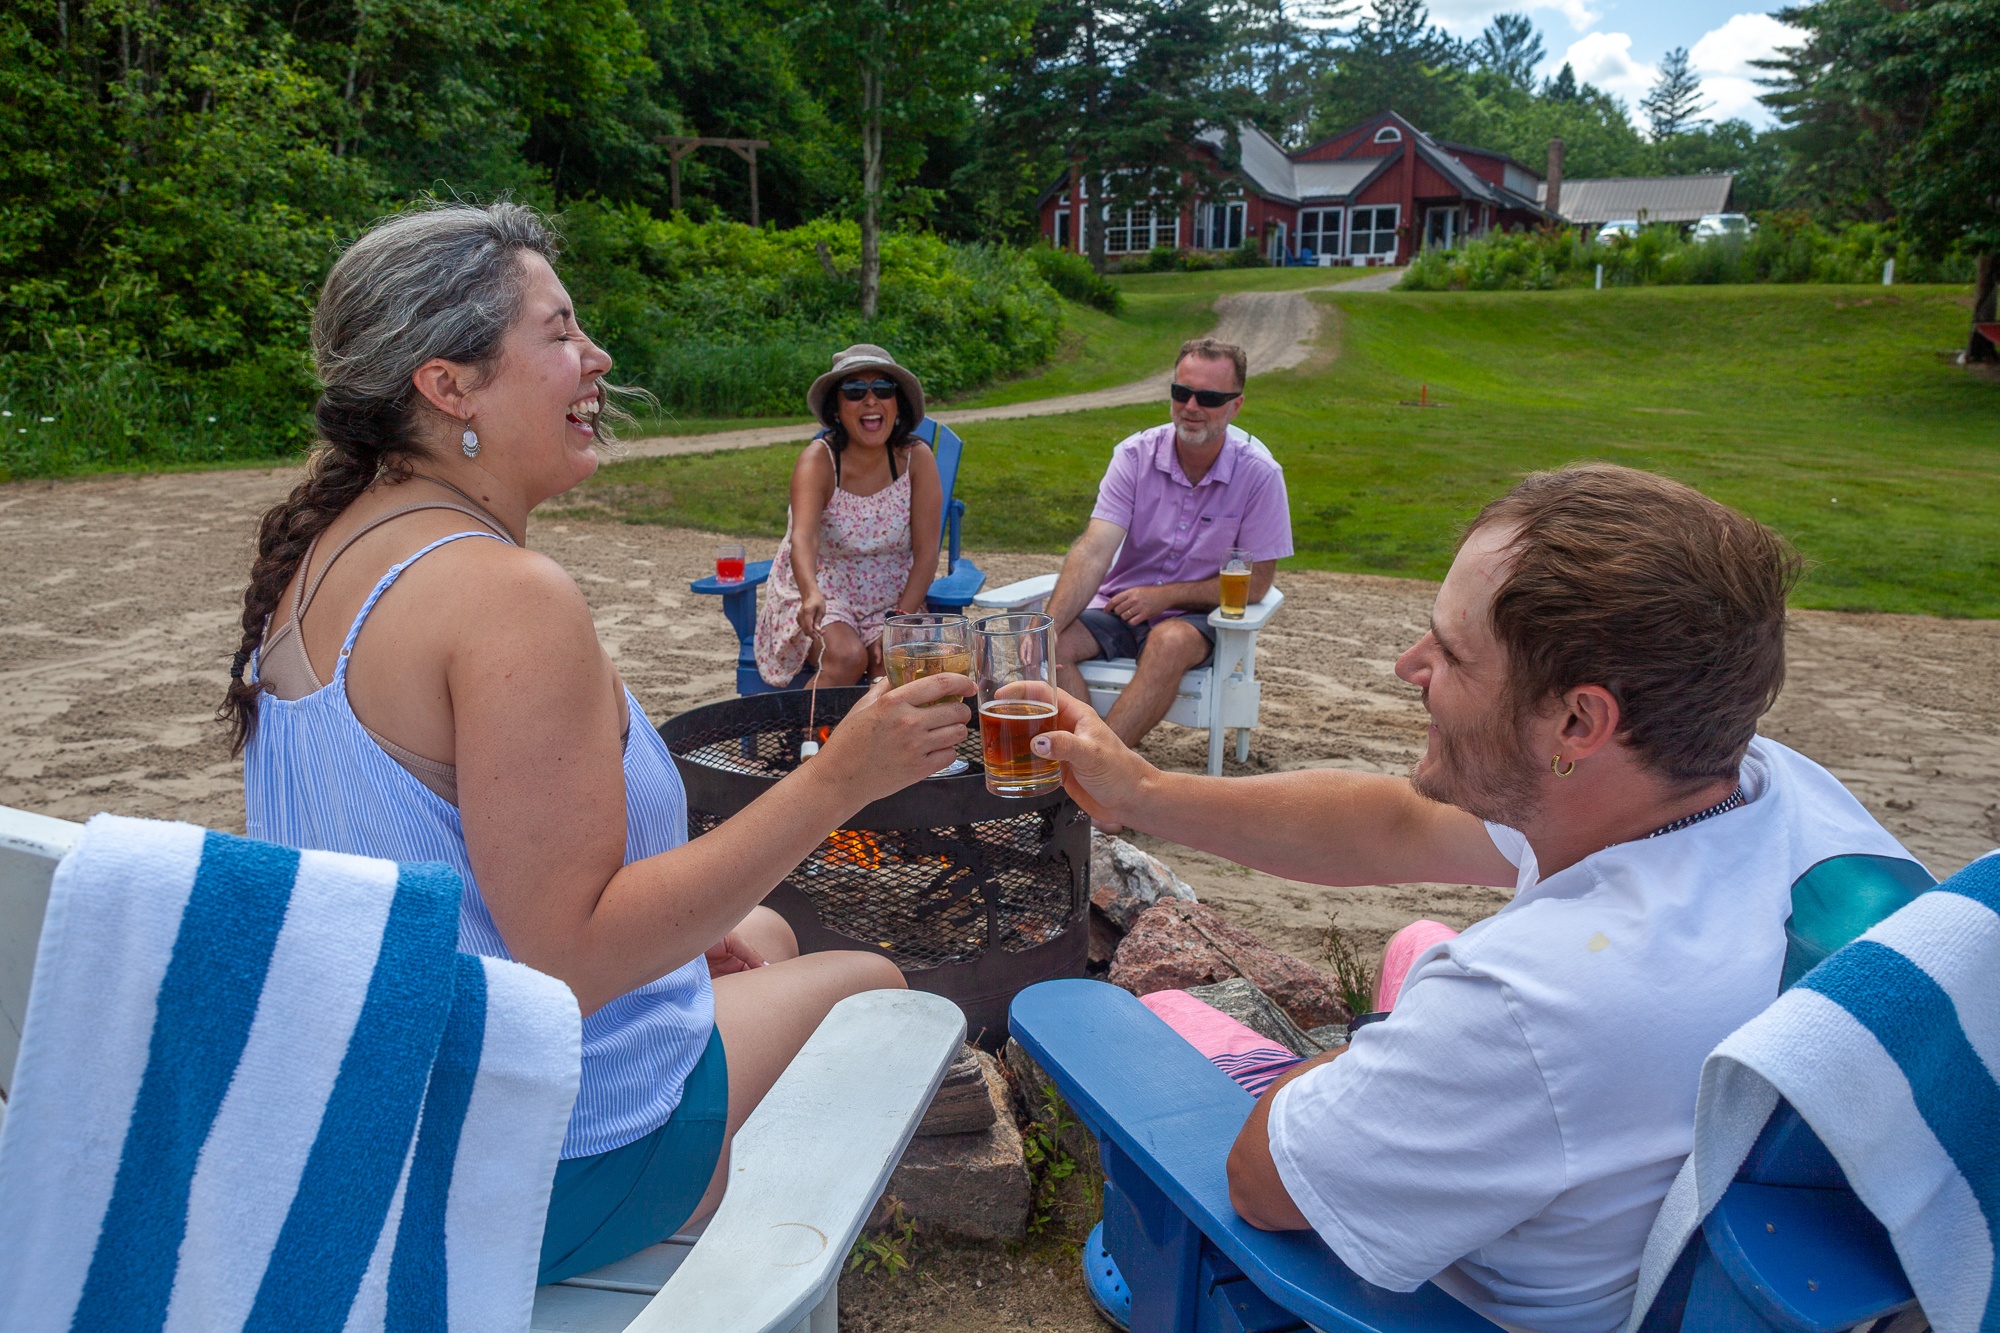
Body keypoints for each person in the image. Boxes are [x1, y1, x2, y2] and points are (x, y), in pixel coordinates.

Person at [222, 204, 974, 1285]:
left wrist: (672, 937)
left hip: (374, 1101)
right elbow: (568, 959)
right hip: (520, 1160)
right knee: (876, 979)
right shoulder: (504, 597)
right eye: (559, 331)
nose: (596, 356)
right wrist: (843, 778)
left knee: (755, 930)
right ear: (449, 387)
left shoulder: (325, 549)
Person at [1032, 465, 1920, 1333]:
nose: (1406, 665)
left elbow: (1259, 1181)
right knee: (1419, 936)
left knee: (1170, 1018)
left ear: (1578, 722)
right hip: (1638, 1188)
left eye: (1451, 653)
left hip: (1423, 1298)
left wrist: (1382, 1043)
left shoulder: (1528, 1002)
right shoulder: (1758, 784)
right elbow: (1398, 828)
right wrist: (1144, 793)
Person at [1044, 336, 1291, 751]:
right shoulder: (1134, 456)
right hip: (1121, 608)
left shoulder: (1260, 475)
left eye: (1209, 397)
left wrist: (1165, 597)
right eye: (1182, 392)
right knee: (1053, 647)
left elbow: (1259, 583)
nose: (1192, 406)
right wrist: (1045, 630)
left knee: (1169, 640)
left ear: (1236, 405)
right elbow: (1093, 550)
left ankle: (1098, 771)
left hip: (1200, 620)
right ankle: (1093, 765)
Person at [753, 345, 943, 688]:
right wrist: (810, 593)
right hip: (824, 589)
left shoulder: (917, 460)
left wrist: (900, 621)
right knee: (846, 656)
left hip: (894, 596)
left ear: (897, 403)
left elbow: (928, 551)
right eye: (855, 392)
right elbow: (803, 537)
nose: (871, 400)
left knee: (895, 663)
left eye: (883, 390)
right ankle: (807, 739)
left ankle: (881, 742)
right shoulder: (819, 460)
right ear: (837, 409)